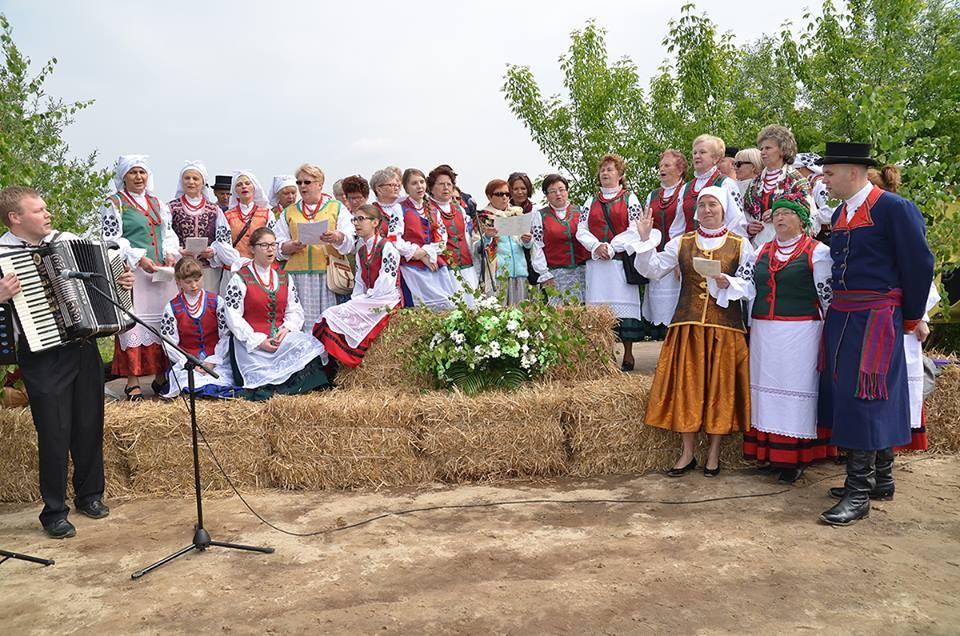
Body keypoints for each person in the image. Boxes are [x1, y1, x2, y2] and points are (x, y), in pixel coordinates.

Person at [0, 186, 134, 538]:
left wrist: (121, 283)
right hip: (41, 352)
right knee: (54, 432)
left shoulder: (67, 240)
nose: (47, 215)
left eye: (46, 208)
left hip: (82, 345)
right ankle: (54, 511)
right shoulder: (2, 254)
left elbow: (105, 280)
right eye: (39, 210)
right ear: (16, 217)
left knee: (89, 423)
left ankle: (89, 495)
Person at [816, 142, 934, 526]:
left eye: (830, 172)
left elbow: (919, 263)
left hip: (876, 316)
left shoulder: (893, 209)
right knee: (852, 394)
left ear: (853, 172)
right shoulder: (840, 211)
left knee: (867, 396)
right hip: (845, 314)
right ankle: (881, 478)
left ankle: (859, 492)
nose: (825, 179)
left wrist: (912, 316)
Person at [632, 186, 755, 477]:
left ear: (724, 210)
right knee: (686, 390)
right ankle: (687, 453)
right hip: (687, 326)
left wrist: (730, 283)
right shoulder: (682, 242)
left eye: (713, 205)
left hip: (724, 329)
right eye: (702, 206)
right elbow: (651, 270)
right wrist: (645, 239)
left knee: (719, 391)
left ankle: (713, 454)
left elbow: (751, 286)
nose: (707, 210)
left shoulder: (741, 244)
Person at [741, 198, 835, 483]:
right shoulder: (760, 251)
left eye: (787, 214)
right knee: (765, 389)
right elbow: (746, 287)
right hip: (764, 332)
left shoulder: (818, 252)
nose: (780, 218)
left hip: (801, 332)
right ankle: (769, 452)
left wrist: (830, 331)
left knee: (796, 389)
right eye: (777, 213)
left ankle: (794, 457)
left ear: (802, 220)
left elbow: (827, 296)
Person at [100, 155, 180, 401]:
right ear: (123, 176)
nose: (138, 177)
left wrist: (169, 254)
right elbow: (112, 239)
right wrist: (138, 257)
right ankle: (132, 381)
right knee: (134, 324)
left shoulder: (157, 202)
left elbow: (168, 233)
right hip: (132, 272)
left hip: (160, 273)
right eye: (133, 173)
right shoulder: (114, 203)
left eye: (142, 172)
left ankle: (159, 376)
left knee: (162, 323)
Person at [223, 226, 329, 400]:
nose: (270, 249)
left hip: (279, 337)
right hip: (252, 342)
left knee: (308, 344)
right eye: (264, 245)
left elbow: (294, 309)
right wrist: (259, 341)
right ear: (252, 249)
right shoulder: (239, 278)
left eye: (272, 245)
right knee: (259, 380)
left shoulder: (283, 277)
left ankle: (295, 387)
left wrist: (286, 329)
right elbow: (233, 316)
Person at [577, 153, 643, 371]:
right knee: (600, 312)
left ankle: (628, 354)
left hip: (619, 263)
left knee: (624, 311)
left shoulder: (630, 199)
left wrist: (613, 246)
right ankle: (605, 355)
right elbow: (581, 229)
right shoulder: (590, 201)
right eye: (603, 169)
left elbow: (635, 228)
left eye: (610, 169)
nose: (605, 173)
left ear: (620, 174)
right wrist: (597, 246)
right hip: (597, 265)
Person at [313, 204, 401, 367]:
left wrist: (366, 298)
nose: (356, 223)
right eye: (354, 219)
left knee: (332, 313)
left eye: (361, 219)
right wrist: (357, 299)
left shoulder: (387, 247)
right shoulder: (361, 249)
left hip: (386, 298)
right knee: (331, 315)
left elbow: (387, 280)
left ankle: (351, 354)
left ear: (375, 222)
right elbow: (360, 280)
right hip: (369, 297)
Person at [274, 163, 354, 329]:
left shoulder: (336, 208)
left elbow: (350, 241)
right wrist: (290, 246)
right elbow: (277, 245)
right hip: (297, 276)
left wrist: (337, 237)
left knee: (327, 323)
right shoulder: (288, 212)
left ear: (319, 184)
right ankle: (305, 355)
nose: (302, 186)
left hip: (328, 275)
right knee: (298, 321)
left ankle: (326, 354)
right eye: (299, 182)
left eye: (307, 182)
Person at [158, 256, 236, 398]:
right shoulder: (172, 308)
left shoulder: (217, 302)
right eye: (188, 282)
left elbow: (226, 335)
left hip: (216, 360)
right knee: (189, 384)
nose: (194, 285)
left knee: (222, 382)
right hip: (187, 365)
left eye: (197, 280)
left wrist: (213, 360)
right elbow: (168, 343)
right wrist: (190, 363)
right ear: (178, 282)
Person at [167, 160, 238, 293]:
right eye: (187, 178)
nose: (191, 182)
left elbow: (224, 239)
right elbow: (165, 234)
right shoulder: (171, 208)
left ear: (202, 182)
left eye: (195, 178)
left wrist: (213, 251)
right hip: (181, 269)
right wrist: (177, 250)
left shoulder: (214, 209)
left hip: (208, 270)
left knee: (208, 306)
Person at [396, 168, 459, 310]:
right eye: (414, 183)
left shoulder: (433, 209)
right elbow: (394, 239)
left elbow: (442, 240)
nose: (419, 186)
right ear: (406, 188)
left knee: (447, 304)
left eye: (421, 182)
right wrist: (415, 253)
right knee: (420, 309)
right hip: (411, 268)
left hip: (433, 264)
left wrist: (425, 251)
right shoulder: (399, 209)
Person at [640, 149, 688, 336]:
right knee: (661, 313)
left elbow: (686, 226)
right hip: (657, 257)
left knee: (678, 311)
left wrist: (679, 260)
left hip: (677, 257)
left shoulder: (686, 191)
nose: (662, 169)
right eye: (660, 166)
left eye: (667, 165)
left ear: (680, 169)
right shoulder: (652, 196)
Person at [742, 125, 814, 247]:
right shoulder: (755, 183)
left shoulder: (797, 180)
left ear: (783, 150)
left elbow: (808, 215)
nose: (763, 152)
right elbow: (744, 213)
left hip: (790, 246)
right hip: (758, 246)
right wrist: (749, 227)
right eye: (761, 149)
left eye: (768, 148)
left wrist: (779, 213)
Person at [672, 135, 747, 239]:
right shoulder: (685, 189)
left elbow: (736, 222)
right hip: (690, 251)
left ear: (715, 158)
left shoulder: (726, 184)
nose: (697, 156)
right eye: (695, 153)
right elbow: (678, 227)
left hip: (719, 249)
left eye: (702, 152)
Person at [529, 174, 588, 304]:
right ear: (546, 195)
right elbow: (537, 246)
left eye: (562, 190)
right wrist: (544, 273)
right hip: (556, 274)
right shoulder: (540, 216)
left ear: (567, 191)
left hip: (583, 271)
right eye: (553, 191)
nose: (558, 194)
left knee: (586, 314)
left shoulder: (582, 211)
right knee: (561, 314)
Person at [476, 179, 531, 304]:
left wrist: (527, 241)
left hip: (519, 271)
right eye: (500, 194)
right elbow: (475, 248)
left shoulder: (516, 214)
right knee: (498, 313)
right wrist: (487, 237)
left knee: (520, 314)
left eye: (507, 194)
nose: (504, 197)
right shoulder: (483, 217)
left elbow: (525, 245)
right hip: (497, 273)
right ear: (489, 196)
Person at [221, 170, 275, 293]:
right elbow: (223, 244)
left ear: (254, 187)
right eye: (239, 185)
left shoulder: (267, 214)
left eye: (247, 183)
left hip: (259, 269)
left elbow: (271, 241)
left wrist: (255, 262)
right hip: (233, 270)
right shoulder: (227, 215)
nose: (244, 186)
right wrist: (238, 262)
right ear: (235, 191)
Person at [428, 165, 478, 290]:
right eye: (441, 184)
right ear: (432, 188)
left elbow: (467, 238)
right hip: (443, 269)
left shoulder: (459, 209)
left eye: (449, 184)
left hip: (467, 266)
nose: (446, 188)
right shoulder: (427, 209)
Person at [792, 152, 833, 241]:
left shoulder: (820, 184)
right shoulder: (810, 183)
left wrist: (805, 214)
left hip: (825, 236)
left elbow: (830, 212)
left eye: (796, 170)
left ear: (802, 168)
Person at [369, 167, 405, 238]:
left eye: (397, 185)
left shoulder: (405, 206)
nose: (396, 188)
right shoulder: (370, 212)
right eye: (391, 185)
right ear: (379, 189)